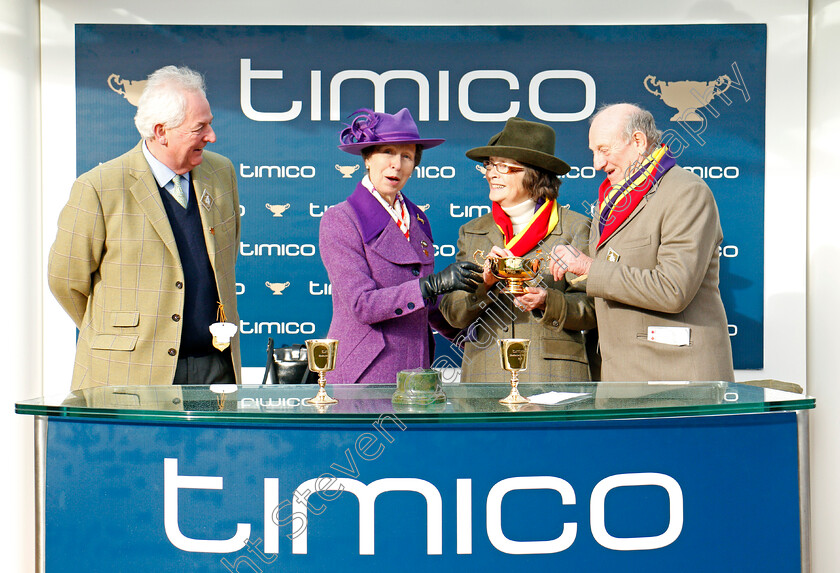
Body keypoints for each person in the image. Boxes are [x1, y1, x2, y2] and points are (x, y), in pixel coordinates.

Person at [49, 65, 241, 390]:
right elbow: (66, 281)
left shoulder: (221, 173)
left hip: (215, 368)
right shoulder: (99, 188)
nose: (212, 136)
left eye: (210, 123)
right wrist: (115, 334)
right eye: (200, 128)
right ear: (161, 131)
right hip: (129, 375)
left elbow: (226, 254)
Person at [550, 103, 734, 382]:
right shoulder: (612, 201)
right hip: (619, 377)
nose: (597, 164)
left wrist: (590, 266)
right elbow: (611, 278)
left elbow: (673, 289)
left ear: (638, 141)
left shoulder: (687, 193)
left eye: (604, 150)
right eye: (593, 153)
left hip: (675, 382)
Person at [320, 108, 483, 384]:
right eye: (387, 152)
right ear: (368, 158)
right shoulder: (340, 219)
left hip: (416, 369)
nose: (397, 164)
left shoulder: (418, 217)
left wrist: (475, 339)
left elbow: (427, 307)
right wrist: (429, 285)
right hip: (366, 372)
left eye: (406, 156)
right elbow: (362, 305)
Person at [439, 117, 596, 383]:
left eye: (504, 167)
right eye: (489, 166)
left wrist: (548, 301)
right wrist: (484, 284)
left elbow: (593, 309)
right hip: (485, 375)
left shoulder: (576, 227)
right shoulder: (472, 231)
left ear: (535, 174)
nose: (491, 174)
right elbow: (454, 314)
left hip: (553, 375)